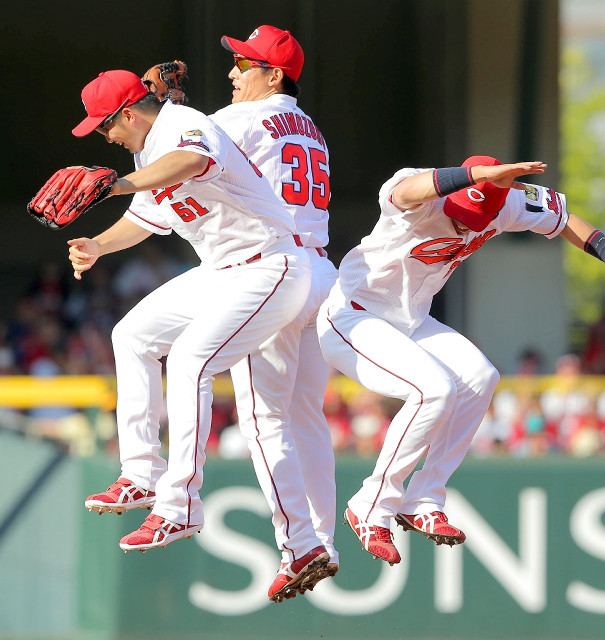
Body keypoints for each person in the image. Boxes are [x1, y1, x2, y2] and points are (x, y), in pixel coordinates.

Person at [68, 70, 329, 592]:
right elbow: (147, 218)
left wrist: (117, 184)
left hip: (271, 264)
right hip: (222, 271)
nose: (104, 136)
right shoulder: (146, 152)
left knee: (191, 360)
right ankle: (140, 474)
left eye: (104, 126)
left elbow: (193, 159)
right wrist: (98, 244)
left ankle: (179, 504)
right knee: (132, 335)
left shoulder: (183, 124)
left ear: (128, 114)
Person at [317, 155, 600, 564]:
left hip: (411, 320)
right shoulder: (421, 191)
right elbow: (406, 190)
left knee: (481, 377)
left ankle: (424, 499)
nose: (465, 224)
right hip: (353, 315)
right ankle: (370, 505)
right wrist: (475, 176)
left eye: (475, 217)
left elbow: (566, 219)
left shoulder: (507, 202)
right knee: (433, 390)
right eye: (462, 213)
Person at [210, 25, 339, 597]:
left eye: (244, 63)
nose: (233, 72)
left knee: (265, 419)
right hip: (322, 272)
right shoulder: (311, 128)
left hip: (276, 270)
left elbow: (180, 153)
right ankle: (324, 541)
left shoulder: (238, 119)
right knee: (307, 416)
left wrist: (161, 108)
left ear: (274, 74)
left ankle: (299, 544)